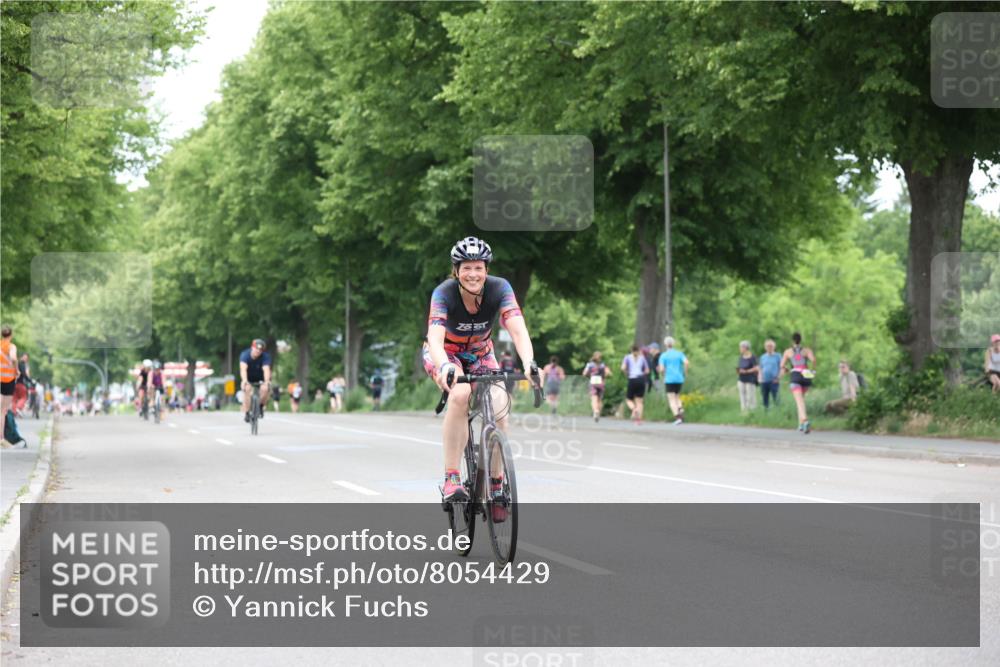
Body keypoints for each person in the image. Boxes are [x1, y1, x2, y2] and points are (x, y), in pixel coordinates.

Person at [423, 236, 537, 508]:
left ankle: (496, 485)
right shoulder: (443, 293)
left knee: (500, 407)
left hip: (480, 353)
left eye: (478, 267)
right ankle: (452, 478)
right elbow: (435, 339)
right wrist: (446, 366)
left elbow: (518, 330)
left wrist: (530, 363)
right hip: (445, 355)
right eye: (466, 268)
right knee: (460, 394)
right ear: (456, 271)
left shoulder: (500, 288)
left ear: (486, 269)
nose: (473, 274)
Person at [780, 332, 816, 433]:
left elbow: (782, 365)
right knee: (801, 400)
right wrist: (813, 370)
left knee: (799, 401)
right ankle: (800, 424)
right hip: (806, 374)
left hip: (795, 374)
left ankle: (805, 420)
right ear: (801, 340)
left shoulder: (788, 352)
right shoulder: (806, 350)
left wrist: (786, 369)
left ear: (792, 341)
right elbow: (813, 360)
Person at [657, 336, 689, 425]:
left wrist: (663, 375)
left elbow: (662, 369)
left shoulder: (663, 356)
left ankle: (678, 417)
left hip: (669, 379)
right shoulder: (679, 354)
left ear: (665, 344)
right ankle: (681, 409)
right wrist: (685, 372)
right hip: (679, 378)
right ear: (673, 344)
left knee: (671, 399)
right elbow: (686, 362)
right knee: (677, 396)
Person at [239, 339, 272, 422]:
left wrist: (267, 381)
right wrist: (244, 381)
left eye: (260, 350)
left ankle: (260, 406)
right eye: (256, 348)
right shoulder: (245, 355)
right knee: (247, 389)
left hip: (260, 377)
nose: (258, 351)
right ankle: (247, 413)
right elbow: (243, 369)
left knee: (266, 388)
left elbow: (266, 369)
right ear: (252, 347)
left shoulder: (265, 356)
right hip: (248, 377)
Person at [621, 345, 650, 424]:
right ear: (638, 350)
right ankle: (638, 420)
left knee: (629, 399)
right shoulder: (642, 358)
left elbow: (623, 368)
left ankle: (634, 409)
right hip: (641, 379)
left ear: (631, 350)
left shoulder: (627, 357)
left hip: (632, 379)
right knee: (640, 401)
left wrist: (626, 374)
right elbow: (647, 370)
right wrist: (642, 374)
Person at [1, 326, 19, 447]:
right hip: (8, 380)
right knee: (3, 410)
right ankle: (1, 438)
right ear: (11, 335)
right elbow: (13, 357)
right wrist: (16, 369)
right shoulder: (11, 346)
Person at [583, 351, 610, 422]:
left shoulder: (589, 364)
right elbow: (608, 373)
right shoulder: (603, 365)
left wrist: (589, 375)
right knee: (599, 400)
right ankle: (598, 412)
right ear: (601, 358)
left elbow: (584, 373)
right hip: (601, 382)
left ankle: (595, 411)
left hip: (593, 382)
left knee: (593, 398)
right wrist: (604, 376)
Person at [758, 339, 781, 410]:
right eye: (767, 346)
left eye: (771, 346)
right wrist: (760, 378)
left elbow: (782, 368)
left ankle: (778, 412)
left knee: (776, 397)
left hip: (774, 381)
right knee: (765, 398)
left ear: (774, 347)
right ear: (765, 347)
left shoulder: (778, 356)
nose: (769, 348)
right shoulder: (763, 357)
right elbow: (760, 368)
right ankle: (766, 413)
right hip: (764, 381)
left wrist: (778, 377)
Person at [736, 340, 759, 412]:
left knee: (750, 396)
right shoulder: (741, 357)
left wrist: (746, 371)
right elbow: (739, 366)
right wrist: (739, 370)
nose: (740, 349)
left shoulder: (753, 357)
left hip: (750, 379)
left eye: (741, 347)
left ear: (745, 347)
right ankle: (744, 411)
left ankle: (752, 411)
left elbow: (757, 368)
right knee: (742, 396)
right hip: (741, 379)